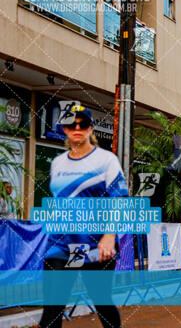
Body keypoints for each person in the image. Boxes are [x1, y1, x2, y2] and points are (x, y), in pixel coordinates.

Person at [39, 105, 126, 328]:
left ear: (90, 129)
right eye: (71, 124)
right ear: (65, 129)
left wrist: (109, 235)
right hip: (62, 246)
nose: (77, 128)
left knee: (102, 302)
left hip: (95, 246)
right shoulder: (57, 163)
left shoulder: (106, 161)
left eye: (83, 124)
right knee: (52, 307)